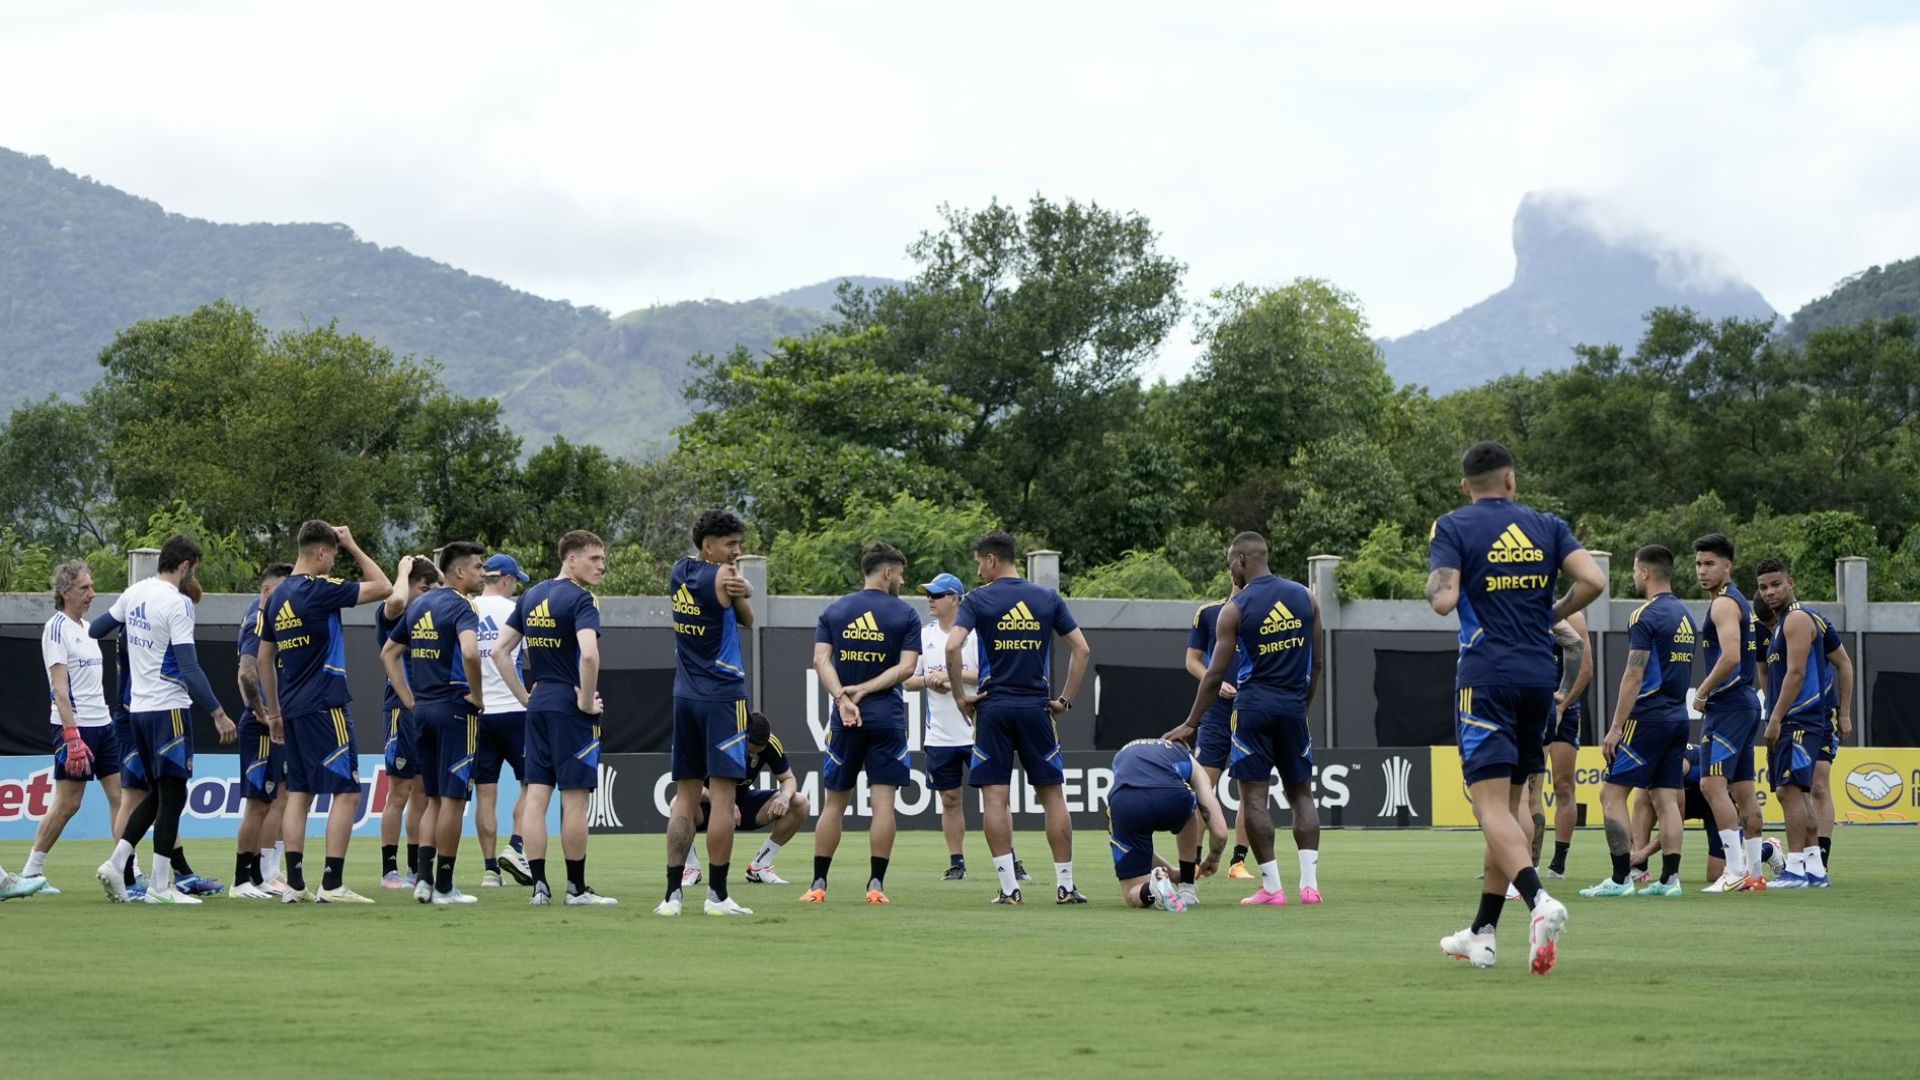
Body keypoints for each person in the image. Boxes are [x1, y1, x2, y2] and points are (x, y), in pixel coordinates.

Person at [1426, 442, 1602, 973]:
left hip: (1484, 679)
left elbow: (1444, 600)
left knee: (1488, 807)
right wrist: (1552, 610)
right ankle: (1482, 932)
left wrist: (1446, 574)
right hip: (1537, 680)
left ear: (1466, 486)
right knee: (1516, 802)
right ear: (1511, 480)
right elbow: (1593, 580)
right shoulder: (1546, 525)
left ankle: (1538, 900)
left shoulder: (1453, 527)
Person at [1167, 533, 1322, 908]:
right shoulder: (1305, 596)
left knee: (1254, 796)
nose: (1229, 571)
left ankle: (1272, 887)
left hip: (1252, 709)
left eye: (1228, 564)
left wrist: (1191, 722)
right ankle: (1310, 887)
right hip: (1292, 706)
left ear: (1240, 560)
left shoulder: (1234, 609)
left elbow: (1214, 674)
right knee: (1301, 793)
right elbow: (1317, 664)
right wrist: (1302, 706)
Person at [948, 530, 1093, 906]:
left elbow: (952, 645)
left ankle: (1010, 889)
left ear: (993, 560)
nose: (978, 570)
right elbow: (1082, 649)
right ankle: (1065, 886)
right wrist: (1065, 699)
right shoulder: (1046, 597)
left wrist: (961, 696)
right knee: (1053, 797)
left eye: (980, 562)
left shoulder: (978, 600)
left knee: (995, 799)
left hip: (993, 708)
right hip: (1037, 708)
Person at [90, 534, 237, 904]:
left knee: (156, 794)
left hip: (136, 711)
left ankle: (118, 861)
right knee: (172, 796)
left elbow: (95, 629)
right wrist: (218, 713)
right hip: (168, 708)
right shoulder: (177, 603)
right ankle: (159, 886)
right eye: (194, 570)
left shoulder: (134, 592)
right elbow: (188, 667)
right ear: (185, 566)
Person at [256, 520, 393, 904]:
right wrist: (352, 544)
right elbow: (384, 587)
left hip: (293, 708)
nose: (333, 561)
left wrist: (275, 712)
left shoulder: (277, 597)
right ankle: (332, 883)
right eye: (332, 554)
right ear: (320, 553)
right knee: (347, 791)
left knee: (298, 792)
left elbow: (265, 659)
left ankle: (295, 884)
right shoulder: (319, 590)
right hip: (325, 703)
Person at [491, 530, 616, 907]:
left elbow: (500, 652)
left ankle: (539, 888)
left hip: (540, 700)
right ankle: (576, 889)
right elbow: (590, 656)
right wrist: (585, 699)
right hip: (568, 705)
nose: (602, 566)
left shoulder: (531, 595)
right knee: (575, 801)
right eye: (594, 559)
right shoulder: (581, 599)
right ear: (571, 559)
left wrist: (524, 697)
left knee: (536, 799)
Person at [801, 542, 921, 905]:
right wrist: (865, 691)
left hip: (845, 720)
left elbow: (821, 661)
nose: (902, 579)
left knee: (833, 804)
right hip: (887, 719)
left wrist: (843, 699)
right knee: (884, 805)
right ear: (887, 572)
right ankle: (876, 886)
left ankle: (818, 884)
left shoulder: (835, 610)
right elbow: (907, 668)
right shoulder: (906, 614)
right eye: (900, 573)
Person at [1581, 545, 1695, 899]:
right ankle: (1670, 881)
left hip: (1647, 718)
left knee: (1611, 793)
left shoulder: (1644, 615)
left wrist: (1616, 728)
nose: (1633, 577)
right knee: (1665, 799)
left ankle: (1620, 879)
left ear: (1645, 572)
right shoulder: (1685, 615)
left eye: (1634, 571)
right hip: (1679, 717)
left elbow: (1634, 674)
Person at [660, 510, 755, 918]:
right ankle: (717, 895)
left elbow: (744, 617)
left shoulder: (679, 572)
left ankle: (671, 896)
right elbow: (750, 618)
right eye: (730, 543)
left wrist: (742, 592)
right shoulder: (724, 578)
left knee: (684, 798)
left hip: (686, 695)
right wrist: (740, 587)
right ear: (708, 545)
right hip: (723, 697)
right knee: (721, 799)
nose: (738, 550)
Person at [383, 541, 487, 905]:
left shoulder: (420, 604)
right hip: (455, 709)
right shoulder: (462, 607)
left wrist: (409, 699)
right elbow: (471, 652)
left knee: (430, 799)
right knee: (453, 801)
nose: (482, 573)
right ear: (459, 572)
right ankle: (444, 885)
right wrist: (477, 695)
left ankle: (424, 881)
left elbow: (388, 654)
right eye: (477, 567)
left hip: (422, 711)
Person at [19, 561, 125, 896]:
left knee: (121, 796)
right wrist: (72, 735)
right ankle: (30, 872)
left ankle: (126, 868)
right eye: (84, 588)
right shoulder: (57, 627)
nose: (92, 594)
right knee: (68, 803)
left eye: (91, 587)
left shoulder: (88, 628)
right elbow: (59, 689)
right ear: (65, 592)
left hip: (103, 723)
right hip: (75, 728)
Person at [1754, 558, 1846, 889]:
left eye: (1776, 584)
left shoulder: (1795, 620)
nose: (1769, 592)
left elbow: (1796, 674)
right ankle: (1815, 870)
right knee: (1797, 793)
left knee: (1790, 791)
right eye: (1764, 587)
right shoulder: (1781, 624)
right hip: (1800, 719)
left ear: (1791, 583)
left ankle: (1794, 868)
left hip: (1799, 718)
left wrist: (1775, 717)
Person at [1690, 533, 1766, 892]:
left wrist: (1703, 690)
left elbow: (1731, 656)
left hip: (1729, 704)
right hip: (1746, 702)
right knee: (1744, 790)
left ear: (1728, 566)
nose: (1702, 571)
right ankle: (1754, 871)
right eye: (1698, 564)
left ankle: (1734, 871)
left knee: (1710, 783)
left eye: (1709, 564)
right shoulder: (1739, 602)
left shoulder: (1723, 603)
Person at [905, 572, 986, 882]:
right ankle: (957, 861)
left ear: (956, 598)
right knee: (949, 799)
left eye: (937, 595)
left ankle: (1012, 860)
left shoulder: (975, 635)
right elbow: (909, 679)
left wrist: (951, 676)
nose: (930, 599)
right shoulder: (924, 636)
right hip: (940, 735)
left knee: (995, 798)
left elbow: (986, 674)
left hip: (977, 730)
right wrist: (929, 679)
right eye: (928, 594)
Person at [1107, 738, 1229, 911]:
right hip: (1172, 798)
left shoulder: (1123, 753)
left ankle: (1152, 888)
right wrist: (1213, 858)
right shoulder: (1188, 759)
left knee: (1132, 892)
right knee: (1190, 809)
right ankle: (1187, 887)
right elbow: (1220, 832)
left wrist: (1170, 874)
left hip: (1126, 803)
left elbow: (1136, 849)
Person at [232, 562, 294, 899]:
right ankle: (243, 878)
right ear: (268, 591)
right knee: (259, 803)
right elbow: (246, 672)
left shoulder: (263, 619)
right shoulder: (258, 620)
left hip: (274, 724)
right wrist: (263, 713)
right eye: (283, 592)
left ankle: (263, 873)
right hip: (261, 729)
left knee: (279, 797)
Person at [1183, 585, 1253, 881]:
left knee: (1250, 790)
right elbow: (1192, 661)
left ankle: (1238, 862)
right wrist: (1215, 682)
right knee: (1202, 785)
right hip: (1216, 712)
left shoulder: (1261, 612)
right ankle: (1194, 858)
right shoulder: (1209, 613)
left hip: (1251, 710)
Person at [377, 555, 438, 890]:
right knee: (398, 792)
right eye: (424, 588)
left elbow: (451, 591)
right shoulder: (394, 613)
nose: (429, 594)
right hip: (401, 710)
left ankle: (417, 868)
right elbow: (398, 597)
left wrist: (436, 572)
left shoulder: (432, 614)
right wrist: (403, 570)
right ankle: (389, 869)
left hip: (429, 709)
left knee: (424, 794)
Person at [473, 553, 534, 888]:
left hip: (479, 713)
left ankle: (489, 870)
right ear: (508, 580)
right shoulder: (516, 610)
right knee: (533, 785)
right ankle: (517, 845)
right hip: (514, 709)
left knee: (486, 793)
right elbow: (527, 654)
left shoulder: (468, 607)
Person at [691, 713, 809, 883]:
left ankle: (760, 866)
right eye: (749, 751)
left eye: (757, 753)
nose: (752, 757)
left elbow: (788, 779)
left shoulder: (771, 743)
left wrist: (784, 796)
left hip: (743, 806)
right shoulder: (715, 741)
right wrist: (723, 802)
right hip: (710, 806)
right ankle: (692, 869)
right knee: (678, 805)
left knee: (800, 803)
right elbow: (692, 787)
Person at [1540, 609, 1591, 880]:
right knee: (1523, 789)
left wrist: (1562, 706)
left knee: (1563, 784)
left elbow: (1586, 668)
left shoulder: (1573, 617)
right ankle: (1520, 861)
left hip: (1564, 708)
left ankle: (1558, 862)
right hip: (1531, 705)